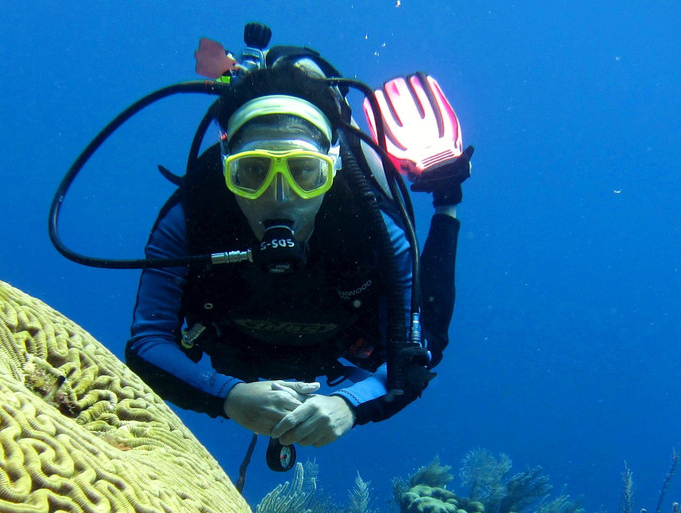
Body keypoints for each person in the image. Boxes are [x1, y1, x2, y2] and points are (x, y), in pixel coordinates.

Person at [124, 40, 470, 455]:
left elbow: (418, 350)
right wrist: (226, 395)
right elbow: (147, 342)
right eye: (251, 172)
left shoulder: (369, 222)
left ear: (334, 167)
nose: (281, 197)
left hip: (333, 349)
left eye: (306, 172)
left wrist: (350, 404)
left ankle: (445, 199)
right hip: (233, 353)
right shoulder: (195, 212)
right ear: (225, 167)